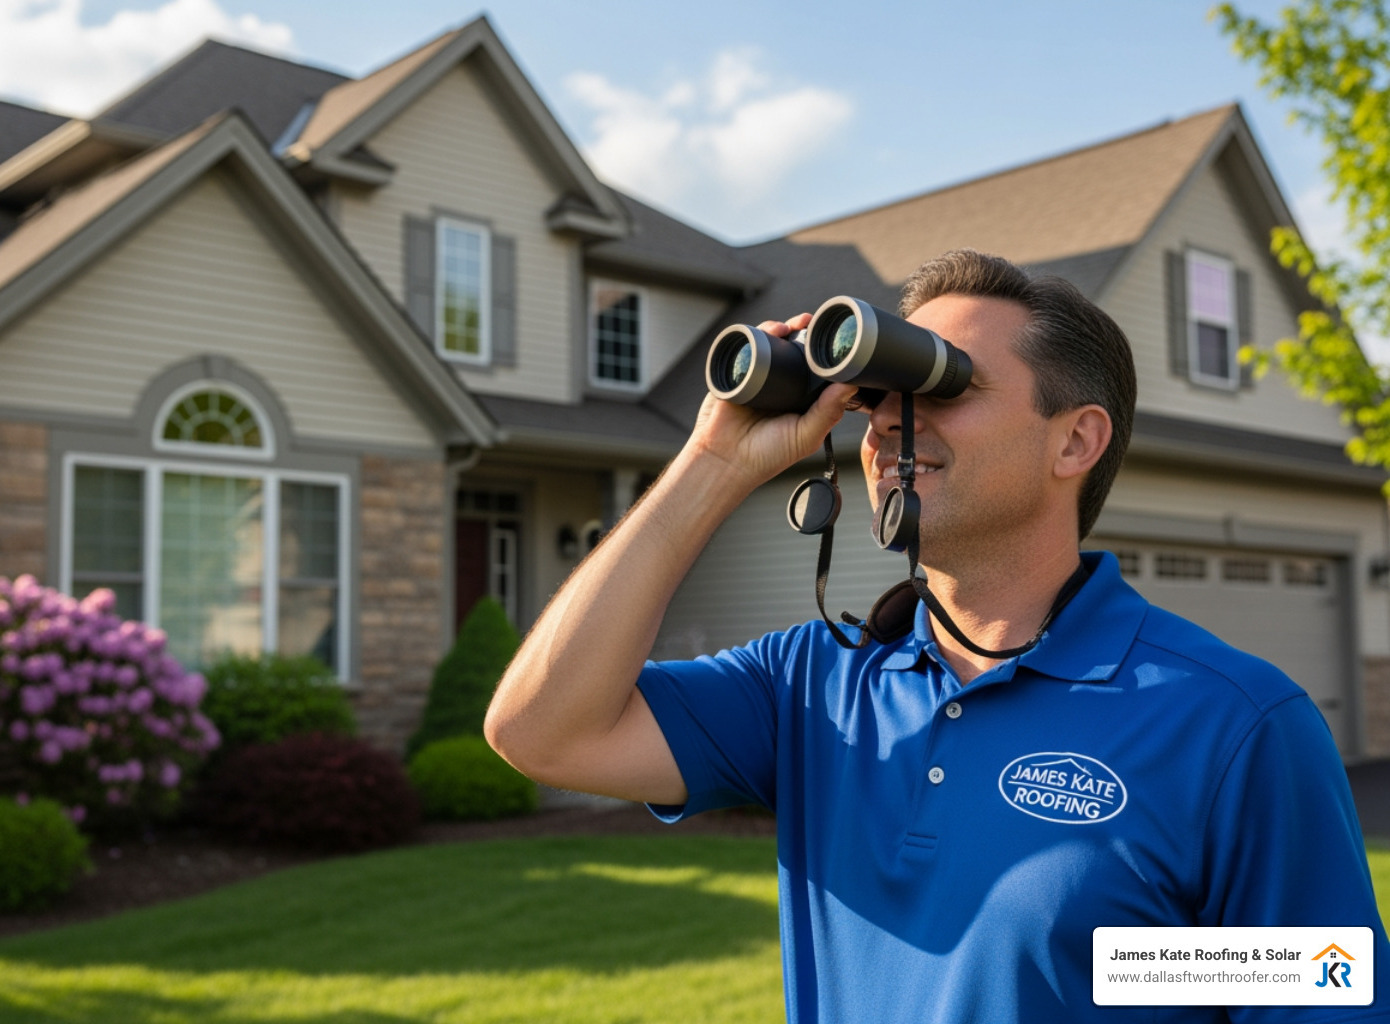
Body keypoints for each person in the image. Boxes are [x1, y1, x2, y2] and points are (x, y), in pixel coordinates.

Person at [484, 249, 1390, 1023]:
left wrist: (1137, 965)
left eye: (940, 384)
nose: (886, 419)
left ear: (1075, 441)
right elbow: (540, 730)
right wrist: (713, 464)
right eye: (878, 392)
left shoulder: (1234, 723)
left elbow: (1324, 978)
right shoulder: (813, 686)